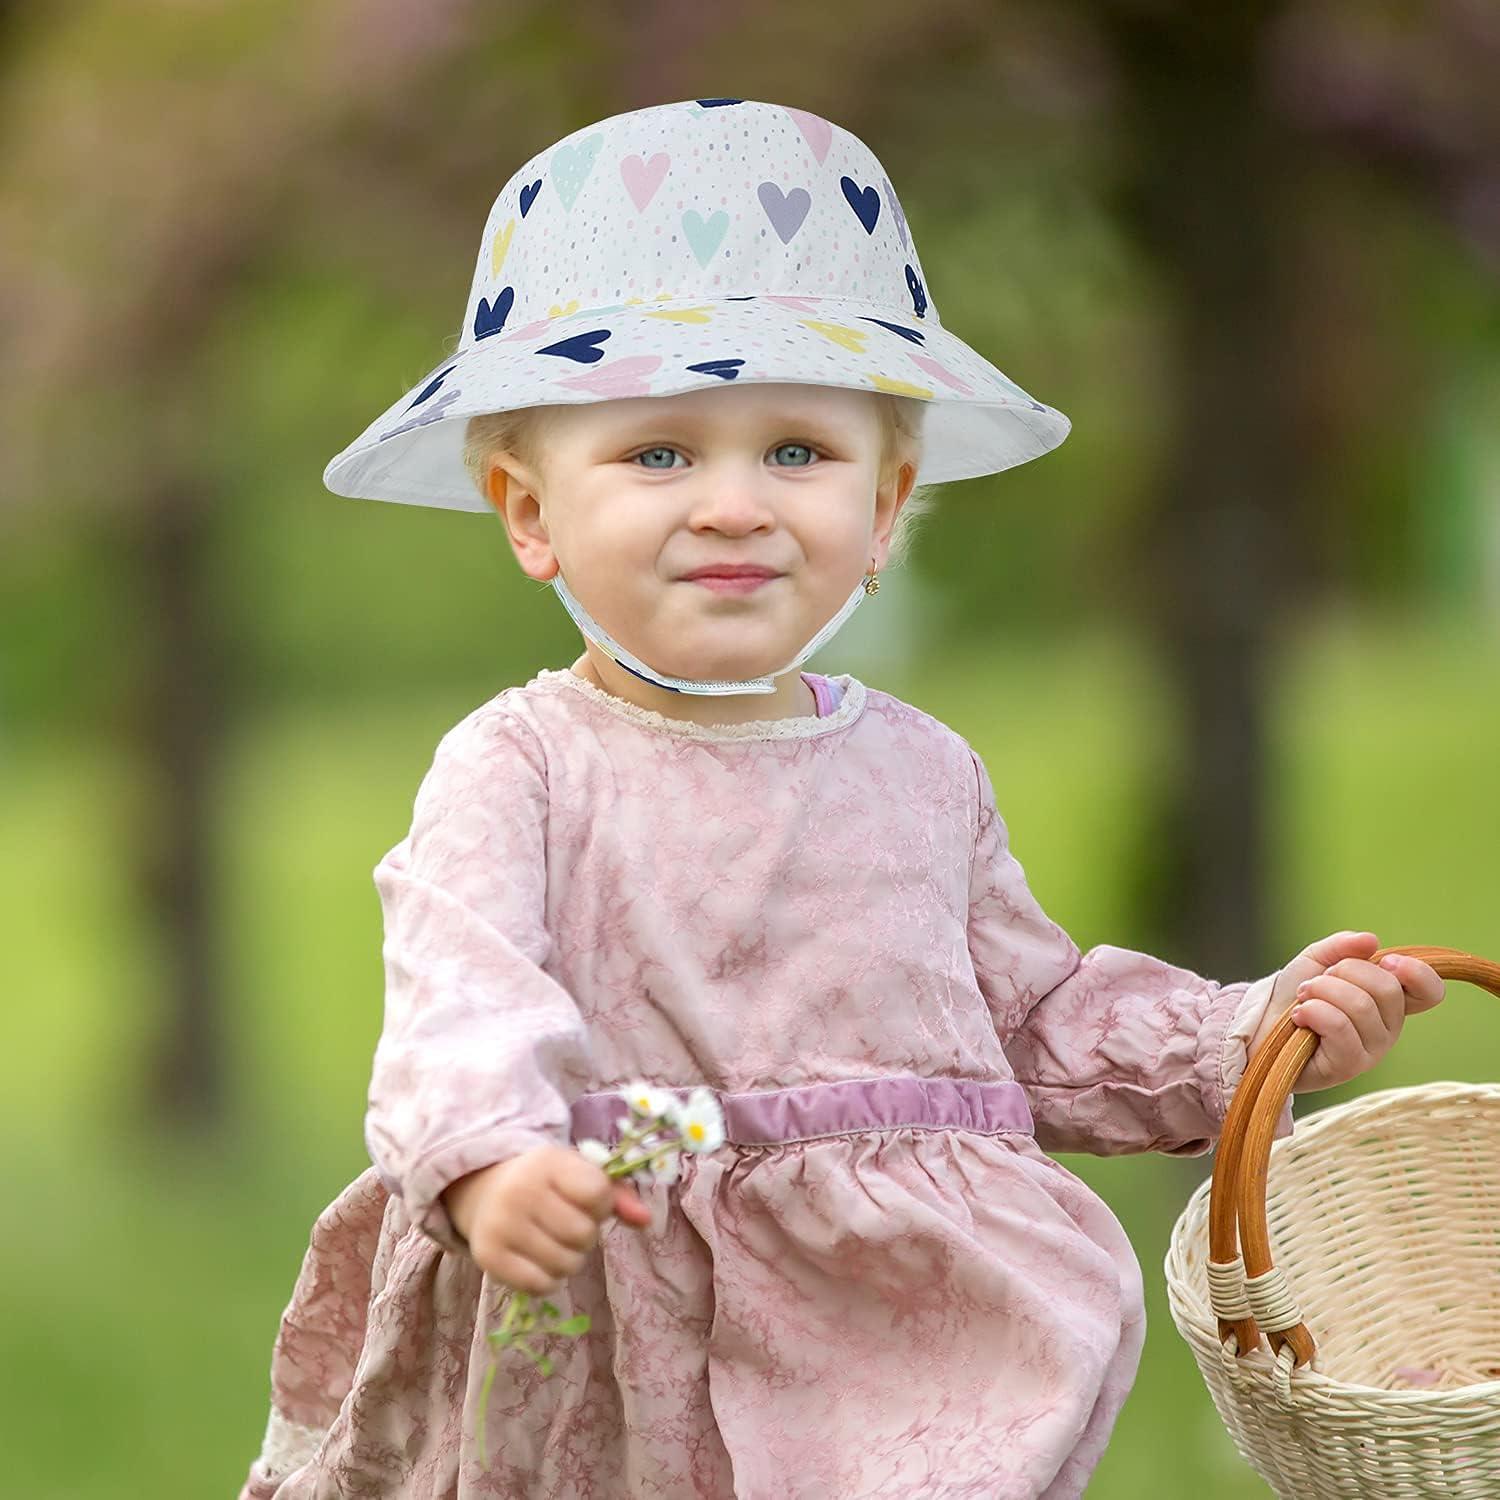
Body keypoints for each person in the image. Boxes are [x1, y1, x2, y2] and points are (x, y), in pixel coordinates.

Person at [237, 98, 1446, 1499]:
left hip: (888, 1323)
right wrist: (494, 1158)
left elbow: (1028, 1025)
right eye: (660, 453)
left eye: (798, 452)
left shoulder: (921, 772)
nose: (735, 504)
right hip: (615, 1299)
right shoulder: (526, 765)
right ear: (530, 512)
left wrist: (1248, 1035)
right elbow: (463, 990)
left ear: (882, 511)